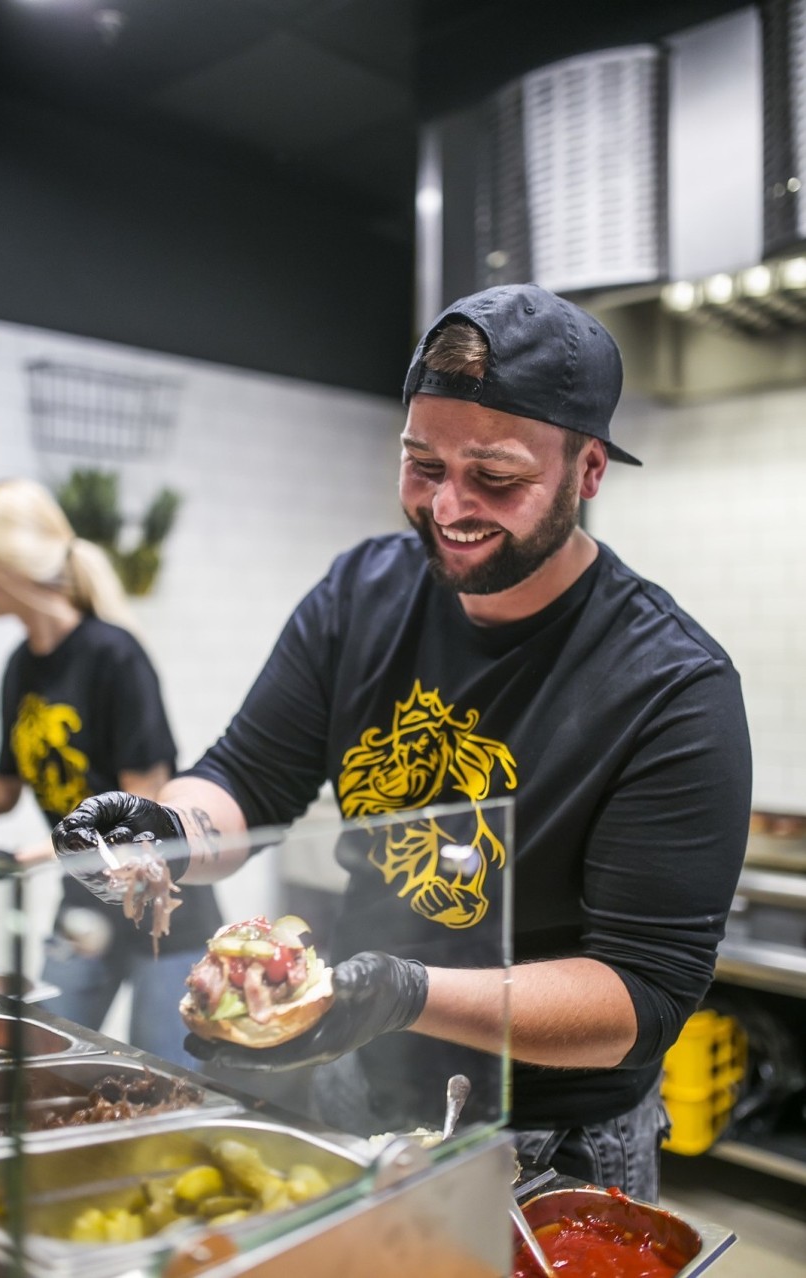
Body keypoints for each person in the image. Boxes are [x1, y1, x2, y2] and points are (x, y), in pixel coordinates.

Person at [52, 284, 751, 1201]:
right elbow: (248, 783)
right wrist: (161, 827)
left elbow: (640, 998)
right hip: (359, 1088)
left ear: (589, 471)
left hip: (549, 1143)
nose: (447, 503)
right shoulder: (361, 594)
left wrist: (405, 993)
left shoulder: (671, 685)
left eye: (495, 477)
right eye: (422, 463)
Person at [0, 477, 222, 1064]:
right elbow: (5, 789)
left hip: (164, 917)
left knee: (165, 1083)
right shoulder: (21, 664)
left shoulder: (114, 655)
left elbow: (141, 811)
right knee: (49, 1066)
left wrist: (29, 856)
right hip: (84, 905)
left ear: (7, 562)